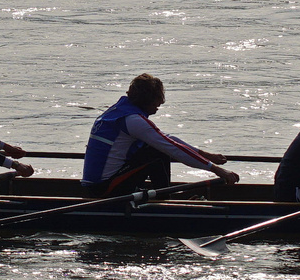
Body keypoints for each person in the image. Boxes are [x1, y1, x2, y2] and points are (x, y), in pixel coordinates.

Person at [81, 73, 239, 196]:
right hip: (104, 188)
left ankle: (161, 196)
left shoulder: (119, 110)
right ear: (148, 99)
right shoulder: (133, 120)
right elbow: (171, 147)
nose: (160, 105)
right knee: (158, 151)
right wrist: (218, 171)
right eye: (158, 100)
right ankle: (164, 200)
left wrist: (205, 155)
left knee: (158, 146)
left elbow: (167, 139)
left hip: (98, 183)